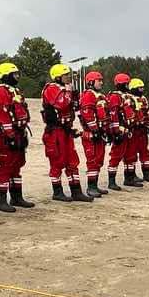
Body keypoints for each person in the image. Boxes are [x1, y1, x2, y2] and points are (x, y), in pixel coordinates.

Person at [0, 61, 36, 212]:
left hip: (19, 132)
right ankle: (1, 200)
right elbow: (2, 114)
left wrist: (21, 133)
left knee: (17, 164)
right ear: (5, 75)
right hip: (7, 134)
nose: (17, 77)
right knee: (6, 165)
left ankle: (17, 197)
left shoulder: (15, 90)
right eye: (14, 74)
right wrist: (10, 135)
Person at [42, 63, 93, 202]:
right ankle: (57, 192)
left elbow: (74, 106)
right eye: (66, 75)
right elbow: (61, 104)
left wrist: (75, 97)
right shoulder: (51, 88)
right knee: (57, 161)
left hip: (66, 131)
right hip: (55, 132)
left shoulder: (65, 89)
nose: (68, 77)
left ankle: (76, 191)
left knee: (72, 161)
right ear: (57, 77)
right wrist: (69, 93)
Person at [77, 69, 109, 197]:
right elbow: (87, 114)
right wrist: (94, 129)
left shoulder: (100, 95)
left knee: (99, 159)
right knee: (92, 160)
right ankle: (91, 188)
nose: (101, 83)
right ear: (90, 82)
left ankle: (95, 185)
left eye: (101, 80)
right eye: (99, 80)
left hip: (100, 132)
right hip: (91, 133)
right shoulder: (89, 95)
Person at [107, 72, 139, 189]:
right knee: (116, 155)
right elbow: (114, 114)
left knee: (131, 155)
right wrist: (115, 131)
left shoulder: (129, 96)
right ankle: (111, 182)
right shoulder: (115, 97)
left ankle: (129, 179)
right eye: (126, 83)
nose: (128, 85)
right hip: (121, 130)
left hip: (130, 129)